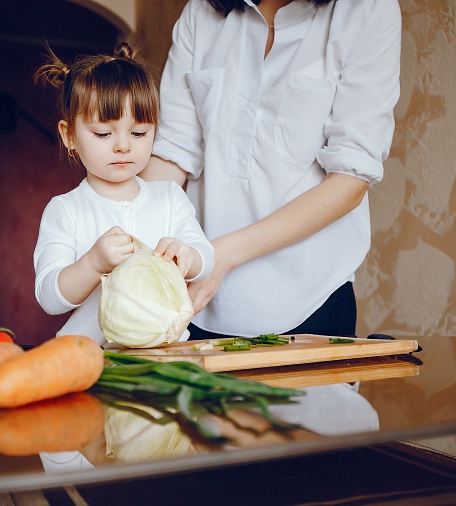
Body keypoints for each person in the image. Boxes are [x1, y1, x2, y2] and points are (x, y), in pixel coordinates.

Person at [141, 0, 401, 339]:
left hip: (309, 304)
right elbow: (172, 154)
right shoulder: (200, 12)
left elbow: (349, 179)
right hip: (193, 300)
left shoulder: (367, 9)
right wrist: (137, 246)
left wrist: (220, 256)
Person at [33, 42, 214, 345]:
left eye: (139, 133)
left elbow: (205, 258)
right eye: (104, 133)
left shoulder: (169, 198)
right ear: (69, 136)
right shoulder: (65, 210)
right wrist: (92, 264)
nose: (123, 145)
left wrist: (189, 256)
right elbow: (49, 297)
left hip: (166, 354)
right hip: (91, 358)